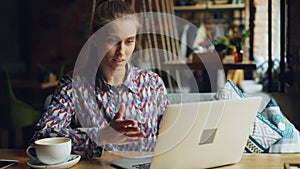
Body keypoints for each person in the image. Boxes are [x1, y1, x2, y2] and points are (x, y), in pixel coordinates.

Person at [31, 0, 168, 158]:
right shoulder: (73, 85)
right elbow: (41, 137)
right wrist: (101, 135)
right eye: (112, 41)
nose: (121, 52)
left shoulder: (153, 84)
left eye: (129, 41)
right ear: (94, 39)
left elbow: (170, 139)